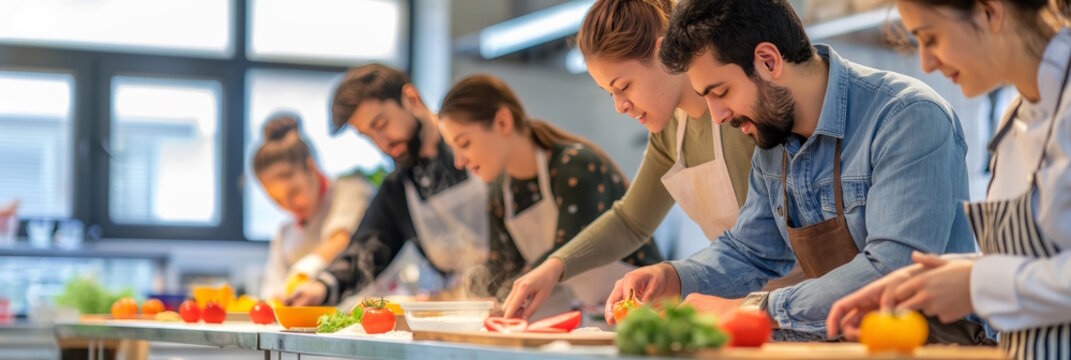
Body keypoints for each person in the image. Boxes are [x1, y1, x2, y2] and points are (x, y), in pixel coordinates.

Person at [605, 0, 990, 342]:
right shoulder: (774, 142)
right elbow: (750, 252)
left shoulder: (906, 117)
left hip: (932, 348)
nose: (718, 117)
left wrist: (754, 308)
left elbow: (890, 271)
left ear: (769, 61)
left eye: (720, 93)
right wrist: (674, 276)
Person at [503, 0, 778, 320]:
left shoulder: (739, 114)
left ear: (665, 55)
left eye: (624, 86)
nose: (620, 106)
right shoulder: (670, 132)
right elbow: (631, 221)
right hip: (743, 307)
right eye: (611, 93)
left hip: (801, 298)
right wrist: (554, 267)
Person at [827, 1, 1071, 357]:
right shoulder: (1013, 120)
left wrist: (978, 284)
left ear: (990, 11)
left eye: (931, 38)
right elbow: (1042, 259)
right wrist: (930, 281)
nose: (926, 63)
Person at [437, 74, 663, 319]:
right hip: (591, 316)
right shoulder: (500, 194)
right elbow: (502, 268)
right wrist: (460, 298)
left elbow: (567, 247)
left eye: (464, 143)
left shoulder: (574, 167)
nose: (459, 162)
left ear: (502, 122)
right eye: (453, 150)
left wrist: (504, 298)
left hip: (646, 309)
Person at [285, 64, 491, 306]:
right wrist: (321, 287)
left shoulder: (481, 144)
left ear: (411, 98)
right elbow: (365, 251)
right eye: (369, 136)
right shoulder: (399, 191)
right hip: (465, 318)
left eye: (381, 124)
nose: (382, 144)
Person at [252, 113, 374, 300]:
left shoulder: (351, 190)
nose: (289, 206)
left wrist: (301, 273)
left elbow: (339, 239)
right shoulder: (284, 234)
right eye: (277, 201)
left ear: (311, 167)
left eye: (294, 192)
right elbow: (272, 294)